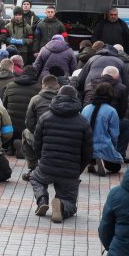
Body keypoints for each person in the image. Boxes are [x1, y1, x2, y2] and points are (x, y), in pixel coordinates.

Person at [31, 85, 93, 223]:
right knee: (70, 201)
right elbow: (88, 151)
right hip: (70, 171)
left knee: (35, 177)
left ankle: (42, 200)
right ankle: (62, 206)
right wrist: (78, 169)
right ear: (76, 98)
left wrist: (42, 159)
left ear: (58, 96)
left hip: (47, 166)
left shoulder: (45, 117)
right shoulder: (83, 122)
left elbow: (37, 143)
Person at [82, 82, 122, 176]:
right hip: (103, 145)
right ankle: (101, 157)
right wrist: (113, 150)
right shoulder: (111, 111)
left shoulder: (86, 108)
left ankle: (90, 161)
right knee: (116, 167)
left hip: (86, 146)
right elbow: (114, 134)